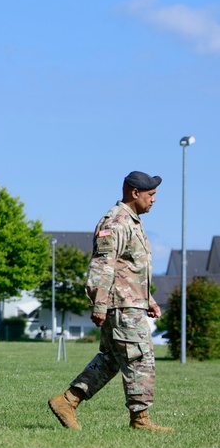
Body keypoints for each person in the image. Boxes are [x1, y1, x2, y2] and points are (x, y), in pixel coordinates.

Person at [48, 171, 173, 432]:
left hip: (131, 303)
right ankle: (140, 420)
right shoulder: (115, 222)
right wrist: (100, 304)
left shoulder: (132, 222)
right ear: (134, 193)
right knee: (140, 358)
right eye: (151, 195)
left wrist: (147, 299)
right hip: (121, 307)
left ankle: (67, 401)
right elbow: (102, 265)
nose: (154, 200)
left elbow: (130, 269)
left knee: (111, 359)